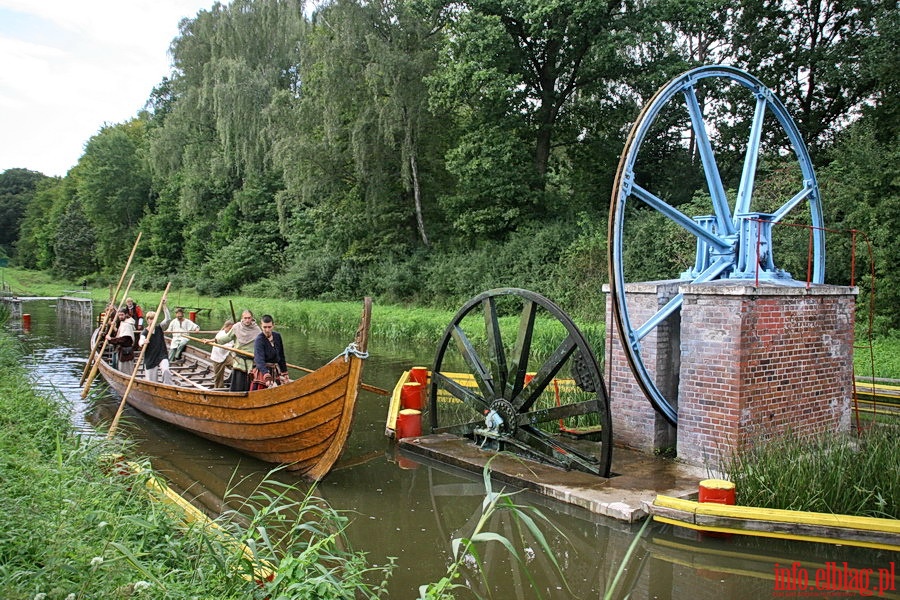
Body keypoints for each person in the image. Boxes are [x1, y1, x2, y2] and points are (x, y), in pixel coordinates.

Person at [222, 310, 261, 392]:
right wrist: (213, 340)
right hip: (239, 362)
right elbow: (226, 338)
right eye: (245, 318)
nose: (247, 320)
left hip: (251, 363)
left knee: (249, 386)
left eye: (249, 318)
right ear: (242, 318)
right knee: (237, 386)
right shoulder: (236, 327)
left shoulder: (257, 330)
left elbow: (262, 344)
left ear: (252, 318)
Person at [252, 314, 290, 389]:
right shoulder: (259, 340)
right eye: (264, 327)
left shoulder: (277, 336)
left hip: (275, 371)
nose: (267, 330)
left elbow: (281, 356)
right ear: (261, 326)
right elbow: (259, 360)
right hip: (263, 372)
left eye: (269, 327)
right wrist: (266, 375)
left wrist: (284, 371)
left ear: (273, 325)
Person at [140, 305, 173, 385]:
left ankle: (167, 386)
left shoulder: (159, 328)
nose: (152, 321)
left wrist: (164, 306)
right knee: (152, 381)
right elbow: (140, 341)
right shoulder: (145, 332)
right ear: (147, 320)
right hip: (150, 357)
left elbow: (168, 319)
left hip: (162, 355)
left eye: (154, 319)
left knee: (166, 370)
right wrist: (144, 342)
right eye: (150, 319)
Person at [106, 308, 136, 374]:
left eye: (122, 315)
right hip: (121, 350)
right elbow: (119, 335)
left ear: (126, 315)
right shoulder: (122, 322)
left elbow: (123, 339)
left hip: (126, 352)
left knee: (126, 371)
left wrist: (111, 339)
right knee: (121, 369)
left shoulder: (127, 325)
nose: (120, 316)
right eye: (119, 315)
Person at [209, 319, 234, 388]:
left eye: (232, 329)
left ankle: (234, 381)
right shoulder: (220, 334)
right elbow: (224, 345)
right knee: (218, 377)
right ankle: (219, 389)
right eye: (230, 328)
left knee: (237, 366)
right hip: (217, 357)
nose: (231, 330)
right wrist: (233, 346)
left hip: (226, 355)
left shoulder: (232, 335)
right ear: (225, 327)